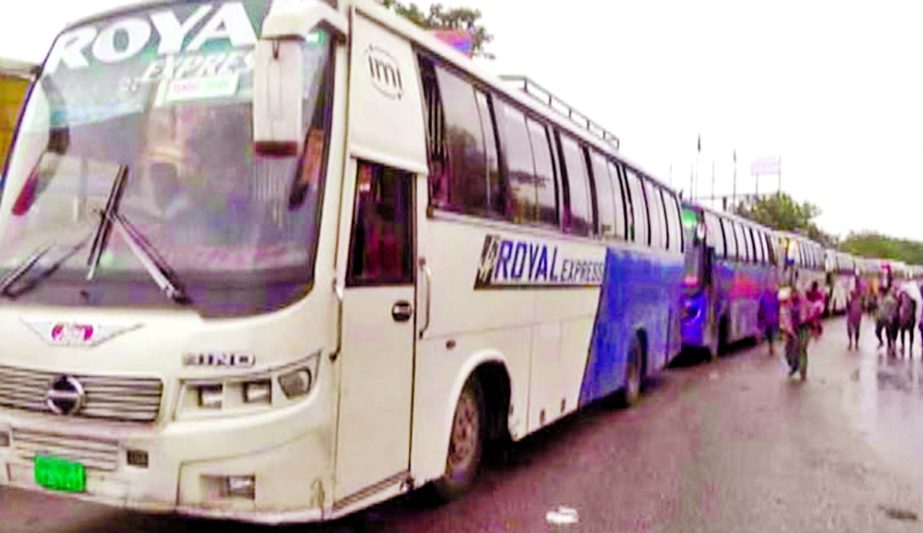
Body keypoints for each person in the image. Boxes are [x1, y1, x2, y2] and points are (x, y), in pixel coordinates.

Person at [781, 287, 810, 380]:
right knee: (788, 352)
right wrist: (788, 330)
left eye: (796, 293)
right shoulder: (787, 304)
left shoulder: (804, 302)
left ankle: (803, 372)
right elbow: (784, 317)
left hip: (803, 329)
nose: (794, 295)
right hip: (791, 331)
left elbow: (810, 313)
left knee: (801, 350)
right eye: (792, 293)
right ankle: (794, 367)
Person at [758, 276, 781, 356]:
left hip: (772, 318)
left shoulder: (776, 296)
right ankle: (770, 345)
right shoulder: (764, 296)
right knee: (768, 333)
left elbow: (779, 307)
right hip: (767, 318)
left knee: (771, 333)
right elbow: (761, 308)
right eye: (770, 285)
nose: (771, 287)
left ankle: (771, 347)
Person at [876, 288, 899, 356]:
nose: (879, 294)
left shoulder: (889, 299)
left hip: (888, 318)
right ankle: (881, 342)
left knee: (889, 333)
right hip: (881, 318)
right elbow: (879, 308)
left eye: (880, 292)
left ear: (883, 292)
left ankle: (891, 347)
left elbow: (895, 305)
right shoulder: (880, 298)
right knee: (877, 331)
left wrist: (891, 315)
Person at [898, 290, 917, 356]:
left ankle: (903, 346)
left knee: (903, 331)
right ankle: (910, 347)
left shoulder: (904, 297)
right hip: (911, 318)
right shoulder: (914, 300)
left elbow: (899, 305)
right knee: (910, 332)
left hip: (905, 318)